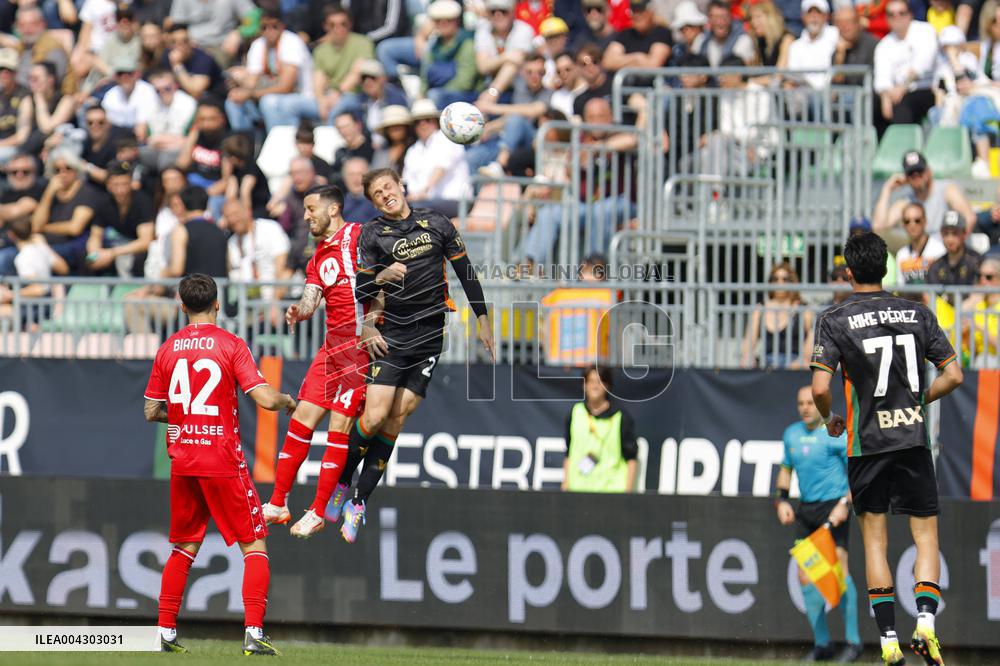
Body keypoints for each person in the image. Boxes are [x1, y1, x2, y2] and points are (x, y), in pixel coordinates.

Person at [810, 231, 963, 666]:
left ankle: (889, 640)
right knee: (925, 536)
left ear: (849, 269)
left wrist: (829, 420)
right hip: (912, 440)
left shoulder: (834, 318)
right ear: (886, 266)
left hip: (867, 444)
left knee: (875, 544)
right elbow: (954, 376)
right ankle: (928, 624)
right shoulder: (918, 312)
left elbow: (820, 388)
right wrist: (920, 401)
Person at [334, 167, 495, 543]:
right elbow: (361, 289)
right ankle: (341, 479)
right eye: (377, 193)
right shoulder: (373, 233)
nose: (385, 195)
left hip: (429, 337)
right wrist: (382, 276)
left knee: (397, 419)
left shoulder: (436, 223)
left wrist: (483, 318)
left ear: (401, 186)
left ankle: (358, 502)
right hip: (391, 336)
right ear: (373, 201)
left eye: (388, 187)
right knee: (373, 417)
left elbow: (466, 271)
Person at [143, 273, 295, 655]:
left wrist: (183, 417)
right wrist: (287, 402)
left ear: (181, 306)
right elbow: (262, 397)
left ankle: (164, 632)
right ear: (217, 303)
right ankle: (254, 633)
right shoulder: (230, 344)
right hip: (221, 457)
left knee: (184, 546)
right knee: (254, 543)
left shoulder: (168, 348)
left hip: (184, 459)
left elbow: (151, 410)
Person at [261, 185, 380, 537]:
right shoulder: (317, 256)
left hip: (359, 349)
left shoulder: (359, 235)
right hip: (331, 349)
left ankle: (317, 510)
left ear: (333, 208)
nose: (306, 215)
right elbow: (313, 299)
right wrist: (300, 310)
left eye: (312, 208)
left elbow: (384, 273)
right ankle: (279, 502)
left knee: (338, 429)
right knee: (301, 419)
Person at [774, 385, 862, 663]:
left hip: (833, 506)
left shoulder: (836, 428)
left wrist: (844, 503)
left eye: (810, 402)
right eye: (800, 403)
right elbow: (786, 470)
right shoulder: (791, 434)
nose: (805, 407)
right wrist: (782, 501)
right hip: (807, 511)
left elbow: (857, 473)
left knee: (838, 570)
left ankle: (853, 642)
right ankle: (822, 644)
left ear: (820, 402)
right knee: (805, 575)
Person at [225, 11, 316, 133]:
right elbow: (251, 82)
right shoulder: (258, 44)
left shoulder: (291, 42)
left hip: (302, 96)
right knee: (233, 102)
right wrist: (241, 88)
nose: (269, 30)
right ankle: (243, 144)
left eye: (274, 26)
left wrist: (251, 94)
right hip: (270, 93)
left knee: (269, 102)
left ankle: (279, 145)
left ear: (282, 26)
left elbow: (286, 87)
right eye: (264, 27)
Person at [561, 365, 638, 493]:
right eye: (590, 381)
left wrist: (627, 493)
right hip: (578, 491)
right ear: (584, 385)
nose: (595, 386)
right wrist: (565, 483)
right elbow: (568, 453)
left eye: (599, 381)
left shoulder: (620, 416)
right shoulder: (575, 413)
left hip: (611, 493)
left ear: (607, 385)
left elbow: (631, 458)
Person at [31, 148, 106, 271]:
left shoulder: (87, 192)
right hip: (47, 245)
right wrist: (49, 193)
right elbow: (35, 226)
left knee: (25, 255)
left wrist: (44, 228)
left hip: (73, 248)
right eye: (57, 170)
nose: (63, 173)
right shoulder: (50, 191)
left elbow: (74, 228)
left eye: (68, 168)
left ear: (76, 169)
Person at [872, 150, 975, 237]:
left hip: (947, 253)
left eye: (919, 171)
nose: (916, 176)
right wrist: (887, 189)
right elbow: (878, 227)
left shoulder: (946, 190)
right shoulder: (906, 202)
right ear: (906, 178)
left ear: (929, 171)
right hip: (920, 257)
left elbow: (969, 218)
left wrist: (954, 248)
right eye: (911, 173)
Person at [401, 98, 470, 218]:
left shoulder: (447, 139)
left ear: (435, 121)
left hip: (454, 200)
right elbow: (408, 180)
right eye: (418, 121)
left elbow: (441, 169)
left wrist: (423, 192)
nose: (422, 124)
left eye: (427, 120)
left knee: (415, 209)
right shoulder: (413, 150)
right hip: (426, 201)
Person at [873, 0, 939, 125]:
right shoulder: (884, 44)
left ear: (910, 14)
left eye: (901, 13)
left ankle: (903, 144)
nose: (897, 17)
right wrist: (885, 97)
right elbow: (882, 75)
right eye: (891, 14)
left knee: (904, 106)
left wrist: (902, 88)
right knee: (873, 106)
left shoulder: (925, 30)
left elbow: (923, 64)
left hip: (927, 88)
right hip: (896, 92)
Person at [86, 159, 154, 277]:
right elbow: (95, 235)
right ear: (108, 185)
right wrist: (95, 254)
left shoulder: (142, 201)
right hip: (115, 245)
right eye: (116, 185)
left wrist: (112, 253)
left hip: (135, 248)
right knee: (87, 259)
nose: (121, 190)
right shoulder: (104, 202)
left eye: (125, 184)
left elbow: (145, 241)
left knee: (137, 259)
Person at [741, 261, 815, 368]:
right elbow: (749, 343)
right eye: (775, 279)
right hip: (767, 363)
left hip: (795, 363)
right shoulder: (760, 308)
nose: (780, 283)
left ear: (792, 282)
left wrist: (800, 361)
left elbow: (811, 341)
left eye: (785, 279)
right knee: (746, 362)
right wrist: (747, 357)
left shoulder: (803, 308)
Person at [312, 7, 375, 123]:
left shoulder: (363, 42)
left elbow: (356, 74)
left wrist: (337, 93)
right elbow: (318, 81)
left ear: (350, 24)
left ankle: (329, 141)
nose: (338, 28)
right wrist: (321, 101)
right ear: (325, 26)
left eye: (343, 24)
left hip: (355, 95)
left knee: (335, 110)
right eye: (332, 25)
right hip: (328, 96)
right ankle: (302, 140)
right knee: (279, 104)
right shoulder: (320, 50)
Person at [162, 24, 223, 100]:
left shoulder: (203, 59)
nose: (180, 46)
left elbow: (196, 92)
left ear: (191, 42)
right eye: (174, 42)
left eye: (185, 41)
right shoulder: (166, 55)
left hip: (210, 100)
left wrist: (177, 65)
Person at [894, 202, 946, 287]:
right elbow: (901, 287)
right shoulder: (901, 255)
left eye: (917, 221)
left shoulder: (939, 250)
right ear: (903, 225)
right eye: (907, 221)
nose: (912, 225)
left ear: (925, 222)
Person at [692, 0, 757, 67]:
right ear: (709, 19)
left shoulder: (743, 40)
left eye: (724, 17)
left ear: (731, 18)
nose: (720, 22)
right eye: (716, 17)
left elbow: (737, 73)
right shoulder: (701, 41)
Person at [928, 211, 981, 287]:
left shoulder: (977, 262)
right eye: (946, 233)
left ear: (964, 234)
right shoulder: (935, 266)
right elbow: (931, 295)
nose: (950, 239)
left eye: (955, 233)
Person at [341, 156, 380, 222]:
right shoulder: (338, 205)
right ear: (344, 178)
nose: (355, 179)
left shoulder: (378, 204)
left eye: (360, 174)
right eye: (351, 174)